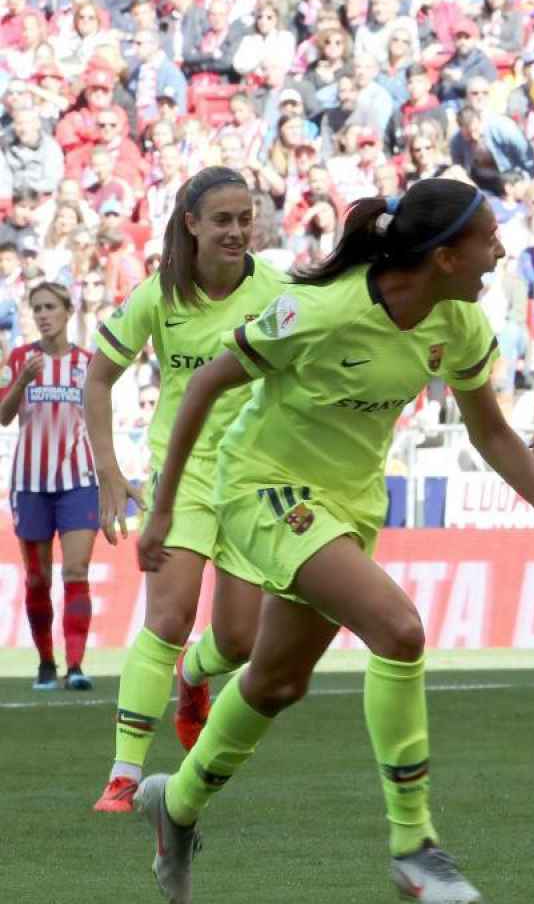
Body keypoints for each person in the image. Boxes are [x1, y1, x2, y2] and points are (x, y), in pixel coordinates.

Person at [130, 178, 534, 904]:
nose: (498, 251)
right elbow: (206, 385)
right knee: (399, 631)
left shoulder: (455, 323)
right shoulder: (323, 309)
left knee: (276, 682)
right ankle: (414, 846)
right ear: (443, 255)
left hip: (350, 505)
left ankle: (173, 807)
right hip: (263, 487)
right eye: (486, 238)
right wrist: (165, 510)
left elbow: (491, 434)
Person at [86, 167, 285, 815]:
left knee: (239, 643)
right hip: (185, 477)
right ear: (191, 224)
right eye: (221, 219)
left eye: (243, 218)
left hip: (254, 482)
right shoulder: (157, 295)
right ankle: (122, 775)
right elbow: (97, 380)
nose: (235, 230)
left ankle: (194, 676)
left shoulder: (280, 293)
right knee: (167, 618)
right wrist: (111, 472)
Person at [1, 281, 99, 692]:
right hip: (30, 484)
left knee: (76, 570)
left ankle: (75, 665)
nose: (42, 315)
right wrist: (22, 381)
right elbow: (3, 417)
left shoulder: (89, 363)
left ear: (67, 311)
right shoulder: (21, 359)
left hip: (78, 481)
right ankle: (45, 662)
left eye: (50, 307)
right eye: (36, 308)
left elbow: (101, 423)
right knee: (38, 579)